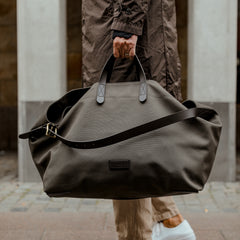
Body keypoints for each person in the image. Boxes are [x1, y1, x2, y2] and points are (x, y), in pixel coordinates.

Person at [82, 0, 196, 239]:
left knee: (123, 149)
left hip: (123, 36)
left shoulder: (125, 28)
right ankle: (169, 221)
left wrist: (127, 25)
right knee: (134, 144)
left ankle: (138, 235)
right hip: (118, 27)